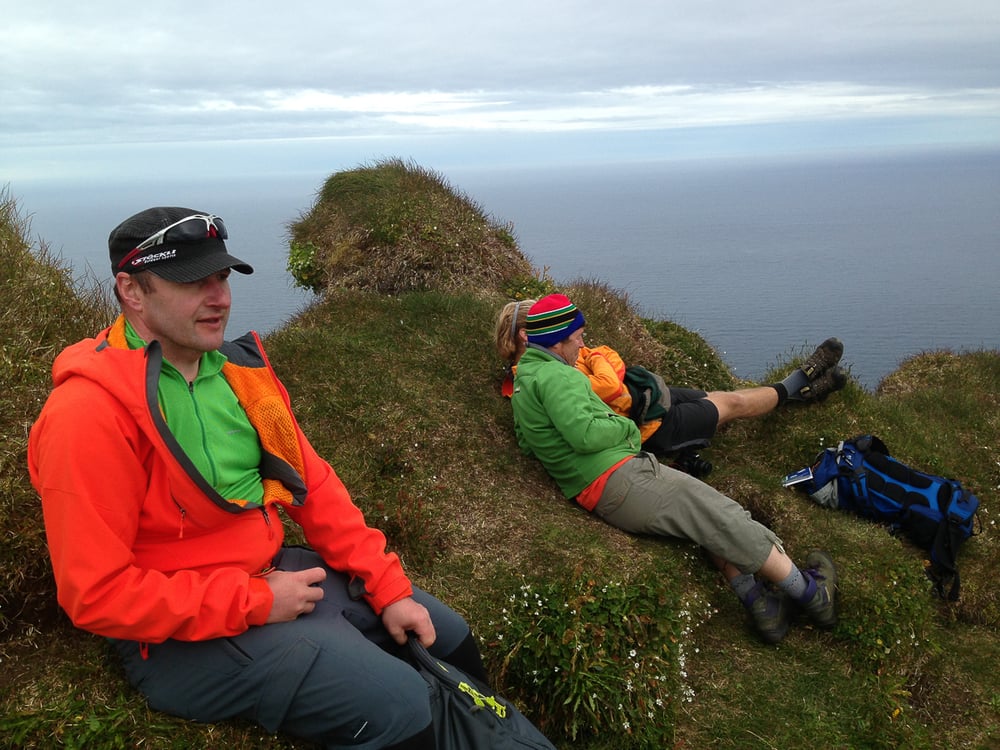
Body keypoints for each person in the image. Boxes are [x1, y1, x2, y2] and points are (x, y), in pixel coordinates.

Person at [28, 207, 489, 749]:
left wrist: (388, 589)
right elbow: (95, 594)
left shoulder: (239, 373)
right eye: (192, 281)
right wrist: (253, 601)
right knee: (402, 708)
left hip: (273, 572)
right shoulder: (87, 413)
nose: (219, 297)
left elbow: (312, 486)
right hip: (178, 638)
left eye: (221, 276)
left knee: (450, 640)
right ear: (131, 290)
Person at [508, 293, 840, 644]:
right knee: (721, 516)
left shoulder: (526, 380)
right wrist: (626, 429)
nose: (582, 343)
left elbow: (528, 440)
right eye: (577, 337)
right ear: (557, 342)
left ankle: (762, 605)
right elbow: (586, 433)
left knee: (701, 516)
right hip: (619, 479)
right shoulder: (559, 378)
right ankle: (810, 593)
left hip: (599, 487)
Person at [495, 297, 846, 458]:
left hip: (646, 396)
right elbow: (607, 382)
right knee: (732, 403)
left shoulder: (563, 355)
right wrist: (601, 361)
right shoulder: (543, 380)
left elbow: (609, 359)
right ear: (529, 335)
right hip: (649, 425)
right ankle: (801, 380)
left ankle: (799, 392)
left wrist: (599, 358)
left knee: (717, 394)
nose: (577, 339)